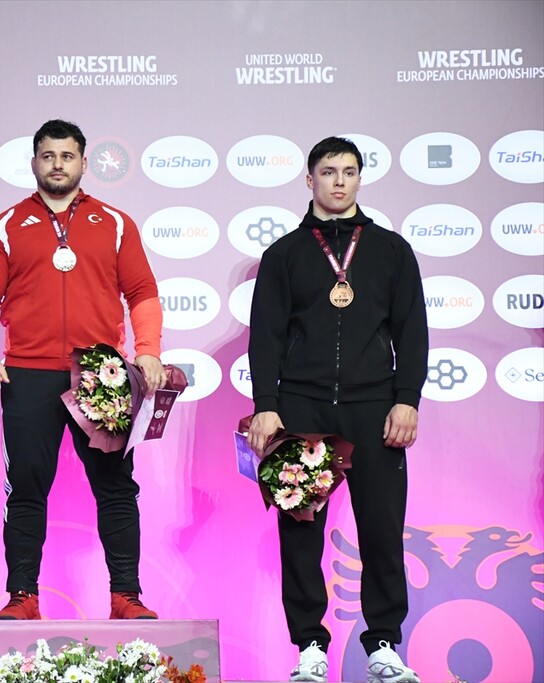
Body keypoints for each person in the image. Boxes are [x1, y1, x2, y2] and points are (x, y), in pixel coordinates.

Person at [0, 119, 166, 621]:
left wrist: (148, 350)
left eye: (67, 156)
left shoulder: (114, 223)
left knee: (116, 486)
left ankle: (126, 597)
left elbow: (142, 291)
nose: (58, 164)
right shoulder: (7, 225)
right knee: (27, 488)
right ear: (35, 162)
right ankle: (22, 597)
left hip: (101, 373)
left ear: (83, 162)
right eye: (49, 155)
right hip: (27, 373)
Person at [247, 137, 427, 682]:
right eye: (328, 172)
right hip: (302, 409)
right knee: (301, 534)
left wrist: (407, 399)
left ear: (359, 179)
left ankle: (383, 643)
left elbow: (412, 333)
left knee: (381, 531)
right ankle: (309, 646)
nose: (339, 181)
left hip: (374, 409)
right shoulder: (284, 254)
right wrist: (266, 406)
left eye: (349, 171)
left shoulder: (391, 250)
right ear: (310, 180)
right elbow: (266, 336)